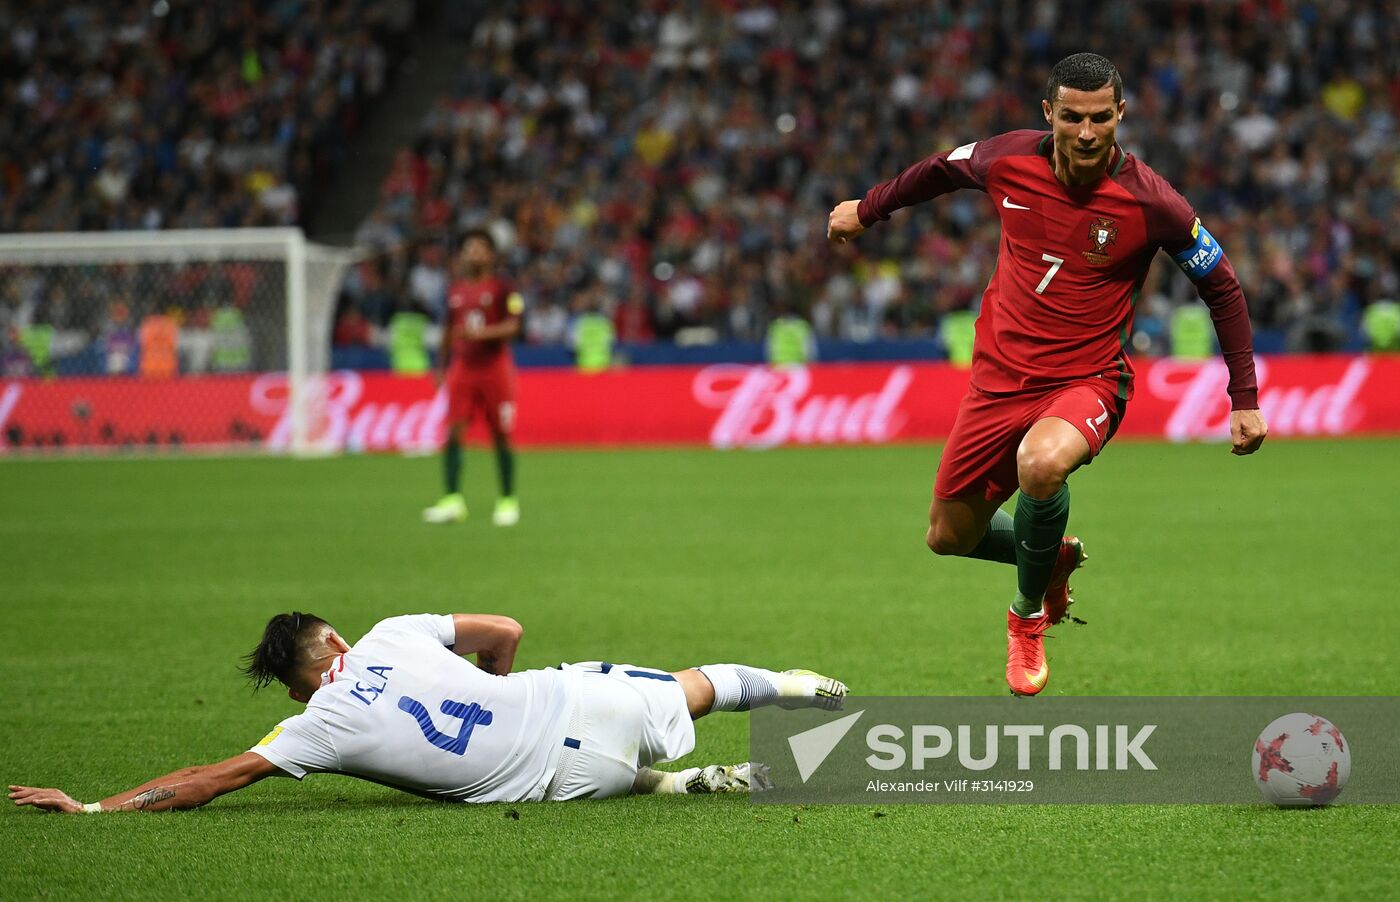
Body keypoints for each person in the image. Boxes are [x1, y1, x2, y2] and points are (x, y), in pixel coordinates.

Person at [826, 53, 1268, 696]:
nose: (1086, 133)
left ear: (1120, 114)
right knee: (948, 537)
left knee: (1041, 465)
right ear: (1049, 114)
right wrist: (868, 209)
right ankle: (1051, 552)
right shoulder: (1006, 159)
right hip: (997, 382)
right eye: (1071, 118)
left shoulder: (1153, 201)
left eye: (1099, 119)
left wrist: (1244, 397)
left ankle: (1027, 615)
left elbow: (1222, 288)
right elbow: (938, 171)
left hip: (1087, 382)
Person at [9, 612, 847, 812]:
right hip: (570, 695)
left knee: (606, 775)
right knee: (687, 683)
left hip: (562, 777)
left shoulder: (312, 729)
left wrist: (90, 809)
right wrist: (491, 679)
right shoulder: (392, 631)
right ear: (332, 635)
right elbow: (508, 632)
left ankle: (695, 782)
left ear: (301, 683)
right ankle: (795, 687)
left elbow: (205, 781)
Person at [423, 230, 524, 527]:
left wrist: (480, 334)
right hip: (463, 369)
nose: (475, 253)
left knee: (501, 434)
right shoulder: (454, 290)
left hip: (495, 369)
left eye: (481, 248)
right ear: (463, 255)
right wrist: (440, 365)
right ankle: (453, 500)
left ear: (491, 256)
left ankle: (507, 500)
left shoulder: (504, 289)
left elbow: (514, 326)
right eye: (470, 248)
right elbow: (448, 329)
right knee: (454, 432)